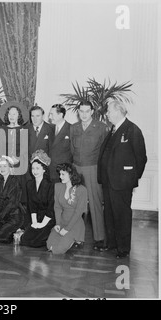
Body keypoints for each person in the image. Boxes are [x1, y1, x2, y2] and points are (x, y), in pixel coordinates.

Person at [98, 100, 147, 259]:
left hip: (122, 183)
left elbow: (141, 158)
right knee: (110, 214)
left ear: (118, 111)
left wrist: (131, 178)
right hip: (108, 182)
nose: (107, 114)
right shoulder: (113, 129)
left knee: (122, 215)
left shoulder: (132, 129)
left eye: (109, 111)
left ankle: (123, 248)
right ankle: (111, 243)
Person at [70, 102, 108, 251]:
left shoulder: (101, 127)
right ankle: (75, 236)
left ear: (92, 112)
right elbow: (72, 149)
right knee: (75, 204)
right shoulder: (74, 127)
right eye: (81, 111)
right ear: (78, 112)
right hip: (76, 167)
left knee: (95, 203)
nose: (84, 114)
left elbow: (105, 150)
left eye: (87, 111)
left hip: (93, 167)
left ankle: (100, 238)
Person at [46, 163, 88, 254]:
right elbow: (57, 207)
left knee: (58, 250)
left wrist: (67, 229)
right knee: (50, 246)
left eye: (63, 174)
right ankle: (71, 241)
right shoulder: (58, 186)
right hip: (62, 221)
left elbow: (78, 212)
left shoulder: (81, 189)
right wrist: (57, 224)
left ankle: (77, 239)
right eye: (60, 174)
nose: (60, 177)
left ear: (71, 174)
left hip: (74, 224)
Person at [0, 155, 24, 243]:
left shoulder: (15, 181)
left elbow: (12, 204)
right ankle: (12, 231)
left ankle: (16, 230)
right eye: (0, 166)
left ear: (10, 168)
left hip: (14, 216)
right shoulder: (0, 182)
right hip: (4, 216)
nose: (2, 168)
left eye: (5, 166)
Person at [20, 150, 55, 248]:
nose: (34, 171)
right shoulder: (29, 184)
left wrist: (42, 224)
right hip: (36, 217)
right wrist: (35, 222)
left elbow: (51, 208)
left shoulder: (50, 185)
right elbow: (31, 205)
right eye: (33, 168)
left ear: (44, 169)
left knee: (36, 242)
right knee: (25, 240)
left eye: (37, 168)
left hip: (48, 218)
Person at [0, 103, 29, 203]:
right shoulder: (2, 129)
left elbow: (25, 148)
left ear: (19, 115)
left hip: (19, 163)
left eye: (14, 114)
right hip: (5, 164)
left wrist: (17, 158)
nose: (11, 116)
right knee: (7, 191)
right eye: (9, 114)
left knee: (19, 191)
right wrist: (5, 160)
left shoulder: (23, 129)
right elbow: (0, 147)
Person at [48, 104, 73, 183]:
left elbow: (74, 152)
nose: (50, 117)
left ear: (61, 115)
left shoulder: (71, 129)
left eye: (52, 114)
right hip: (50, 171)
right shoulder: (49, 129)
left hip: (63, 173)